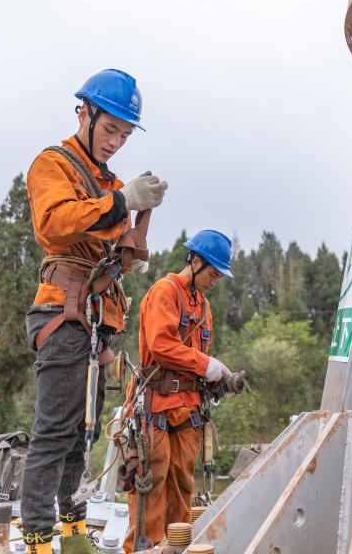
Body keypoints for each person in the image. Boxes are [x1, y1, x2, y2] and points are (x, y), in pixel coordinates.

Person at [21, 69, 168, 553]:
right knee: (54, 434)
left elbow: (109, 243)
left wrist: (134, 225)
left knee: (81, 435)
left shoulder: (110, 183)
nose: (115, 143)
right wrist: (123, 202)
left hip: (93, 322)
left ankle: (73, 530)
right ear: (83, 113)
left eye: (124, 136)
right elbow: (55, 223)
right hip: (63, 314)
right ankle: (40, 538)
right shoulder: (54, 164)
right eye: (110, 131)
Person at [124, 230, 235, 552]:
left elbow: (195, 360)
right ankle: (145, 549)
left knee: (182, 484)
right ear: (196, 262)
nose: (215, 280)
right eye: (213, 273)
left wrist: (218, 378)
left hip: (188, 406)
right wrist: (208, 365)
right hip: (156, 403)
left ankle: (177, 547)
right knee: (150, 483)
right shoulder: (164, 292)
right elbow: (161, 346)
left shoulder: (203, 307)